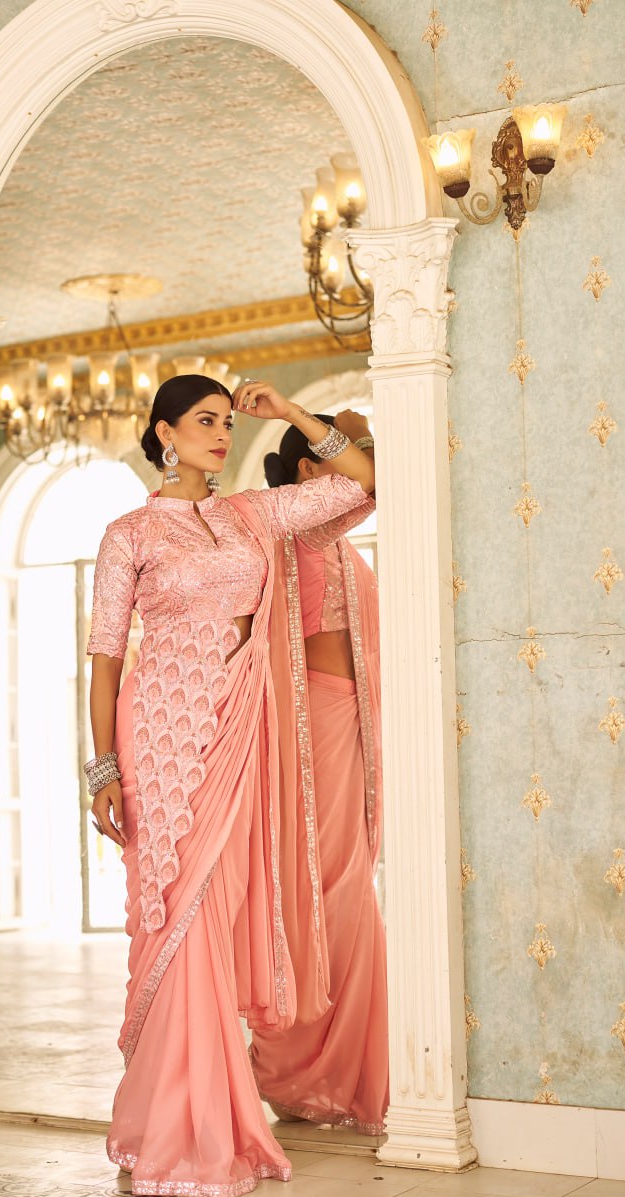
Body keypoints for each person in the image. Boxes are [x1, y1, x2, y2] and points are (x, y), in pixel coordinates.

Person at [85, 375, 374, 1197]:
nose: (218, 434)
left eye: (224, 421)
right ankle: (181, 1126)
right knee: (180, 914)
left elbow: (358, 480)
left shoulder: (249, 514)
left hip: (238, 726)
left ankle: (208, 1114)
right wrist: (101, 766)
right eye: (203, 422)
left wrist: (284, 412)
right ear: (164, 433)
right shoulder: (128, 533)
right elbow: (106, 658)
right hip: (160, 734)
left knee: (220, 905)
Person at [250, 412, 389, 1136]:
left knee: (348, 883)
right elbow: (373, 485)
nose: (359, 460)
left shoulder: (332, 544)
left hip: (353, 725)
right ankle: (307, 1067)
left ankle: (337, 1067)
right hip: (319, 725)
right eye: (343, 451)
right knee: (331, 889)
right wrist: (310, 421)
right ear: (308, 475)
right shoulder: (297, 531)